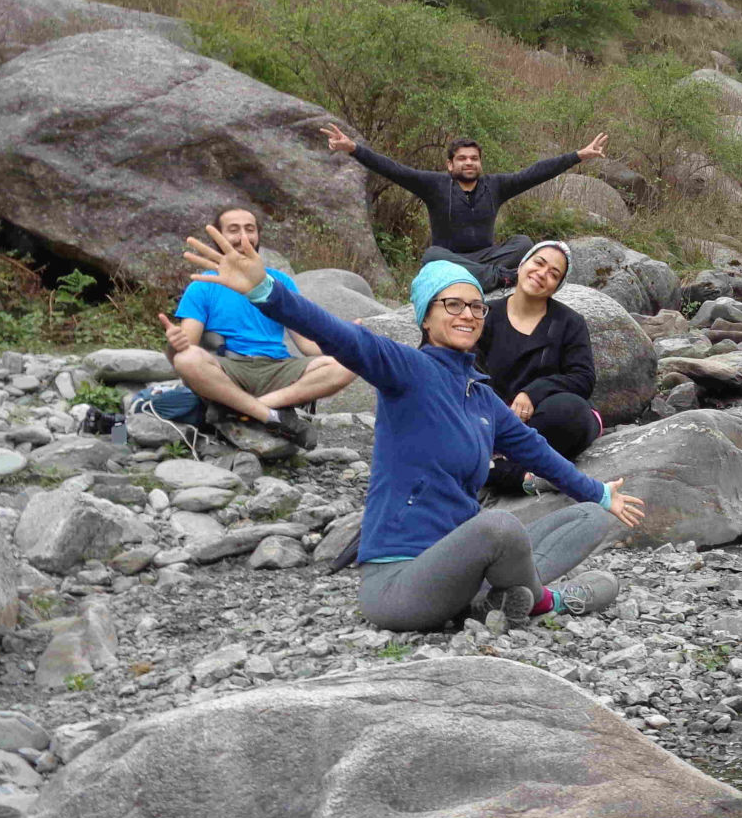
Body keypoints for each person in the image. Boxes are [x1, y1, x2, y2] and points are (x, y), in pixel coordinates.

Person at [181, 229, 646, 633]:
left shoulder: (481, 397)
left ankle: (503, 597)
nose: (467, 314)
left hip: (459, 566)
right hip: (399, 585)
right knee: (501, 527)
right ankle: (547, 601)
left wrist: (601, 494)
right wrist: (266, 290)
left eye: (476, 307)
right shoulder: (407, 369)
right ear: (426, 315)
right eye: (453, 304)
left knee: (590, 515)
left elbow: (538, 451)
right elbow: (342, 336)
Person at [321, 122, 613, 289]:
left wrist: (577, 156)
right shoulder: (434, 184)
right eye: (462, 158)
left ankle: (487, 276)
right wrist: (354, 149)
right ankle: (500, 279)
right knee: (432, 256)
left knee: (523, 242)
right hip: (451, 259)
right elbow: (393, 169)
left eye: (474, 158)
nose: (469, 162)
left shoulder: (496, 186)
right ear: (450, 164)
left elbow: (535, 173)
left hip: (486, 257)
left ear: (480, 162)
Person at [156, 205, 354, 448]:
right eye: (233, 230)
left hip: (278, 368)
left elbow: (307, 345)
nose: (243, 237)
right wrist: (174, 345)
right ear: (219, 236)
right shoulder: (203, 285)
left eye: (250, 229)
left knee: (351, 361)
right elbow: (185, 348)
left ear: (258, 235)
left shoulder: (280, 282)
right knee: (187, 360)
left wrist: (347, 339)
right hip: (230, 368)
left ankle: (245, 409)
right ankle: (271, 416)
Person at [476, 239, 603, 497]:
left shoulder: (570, 323)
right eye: (539, 263)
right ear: (523, 264)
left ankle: (494, 467)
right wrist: (501, 412)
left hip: (541, 420)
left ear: (557, 286)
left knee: (573, 412)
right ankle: (519, 475)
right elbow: (472, 372)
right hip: (494, 418)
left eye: (553, 274)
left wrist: (533, 393)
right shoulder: (486, 315)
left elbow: (583, 377)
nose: (542, 274)